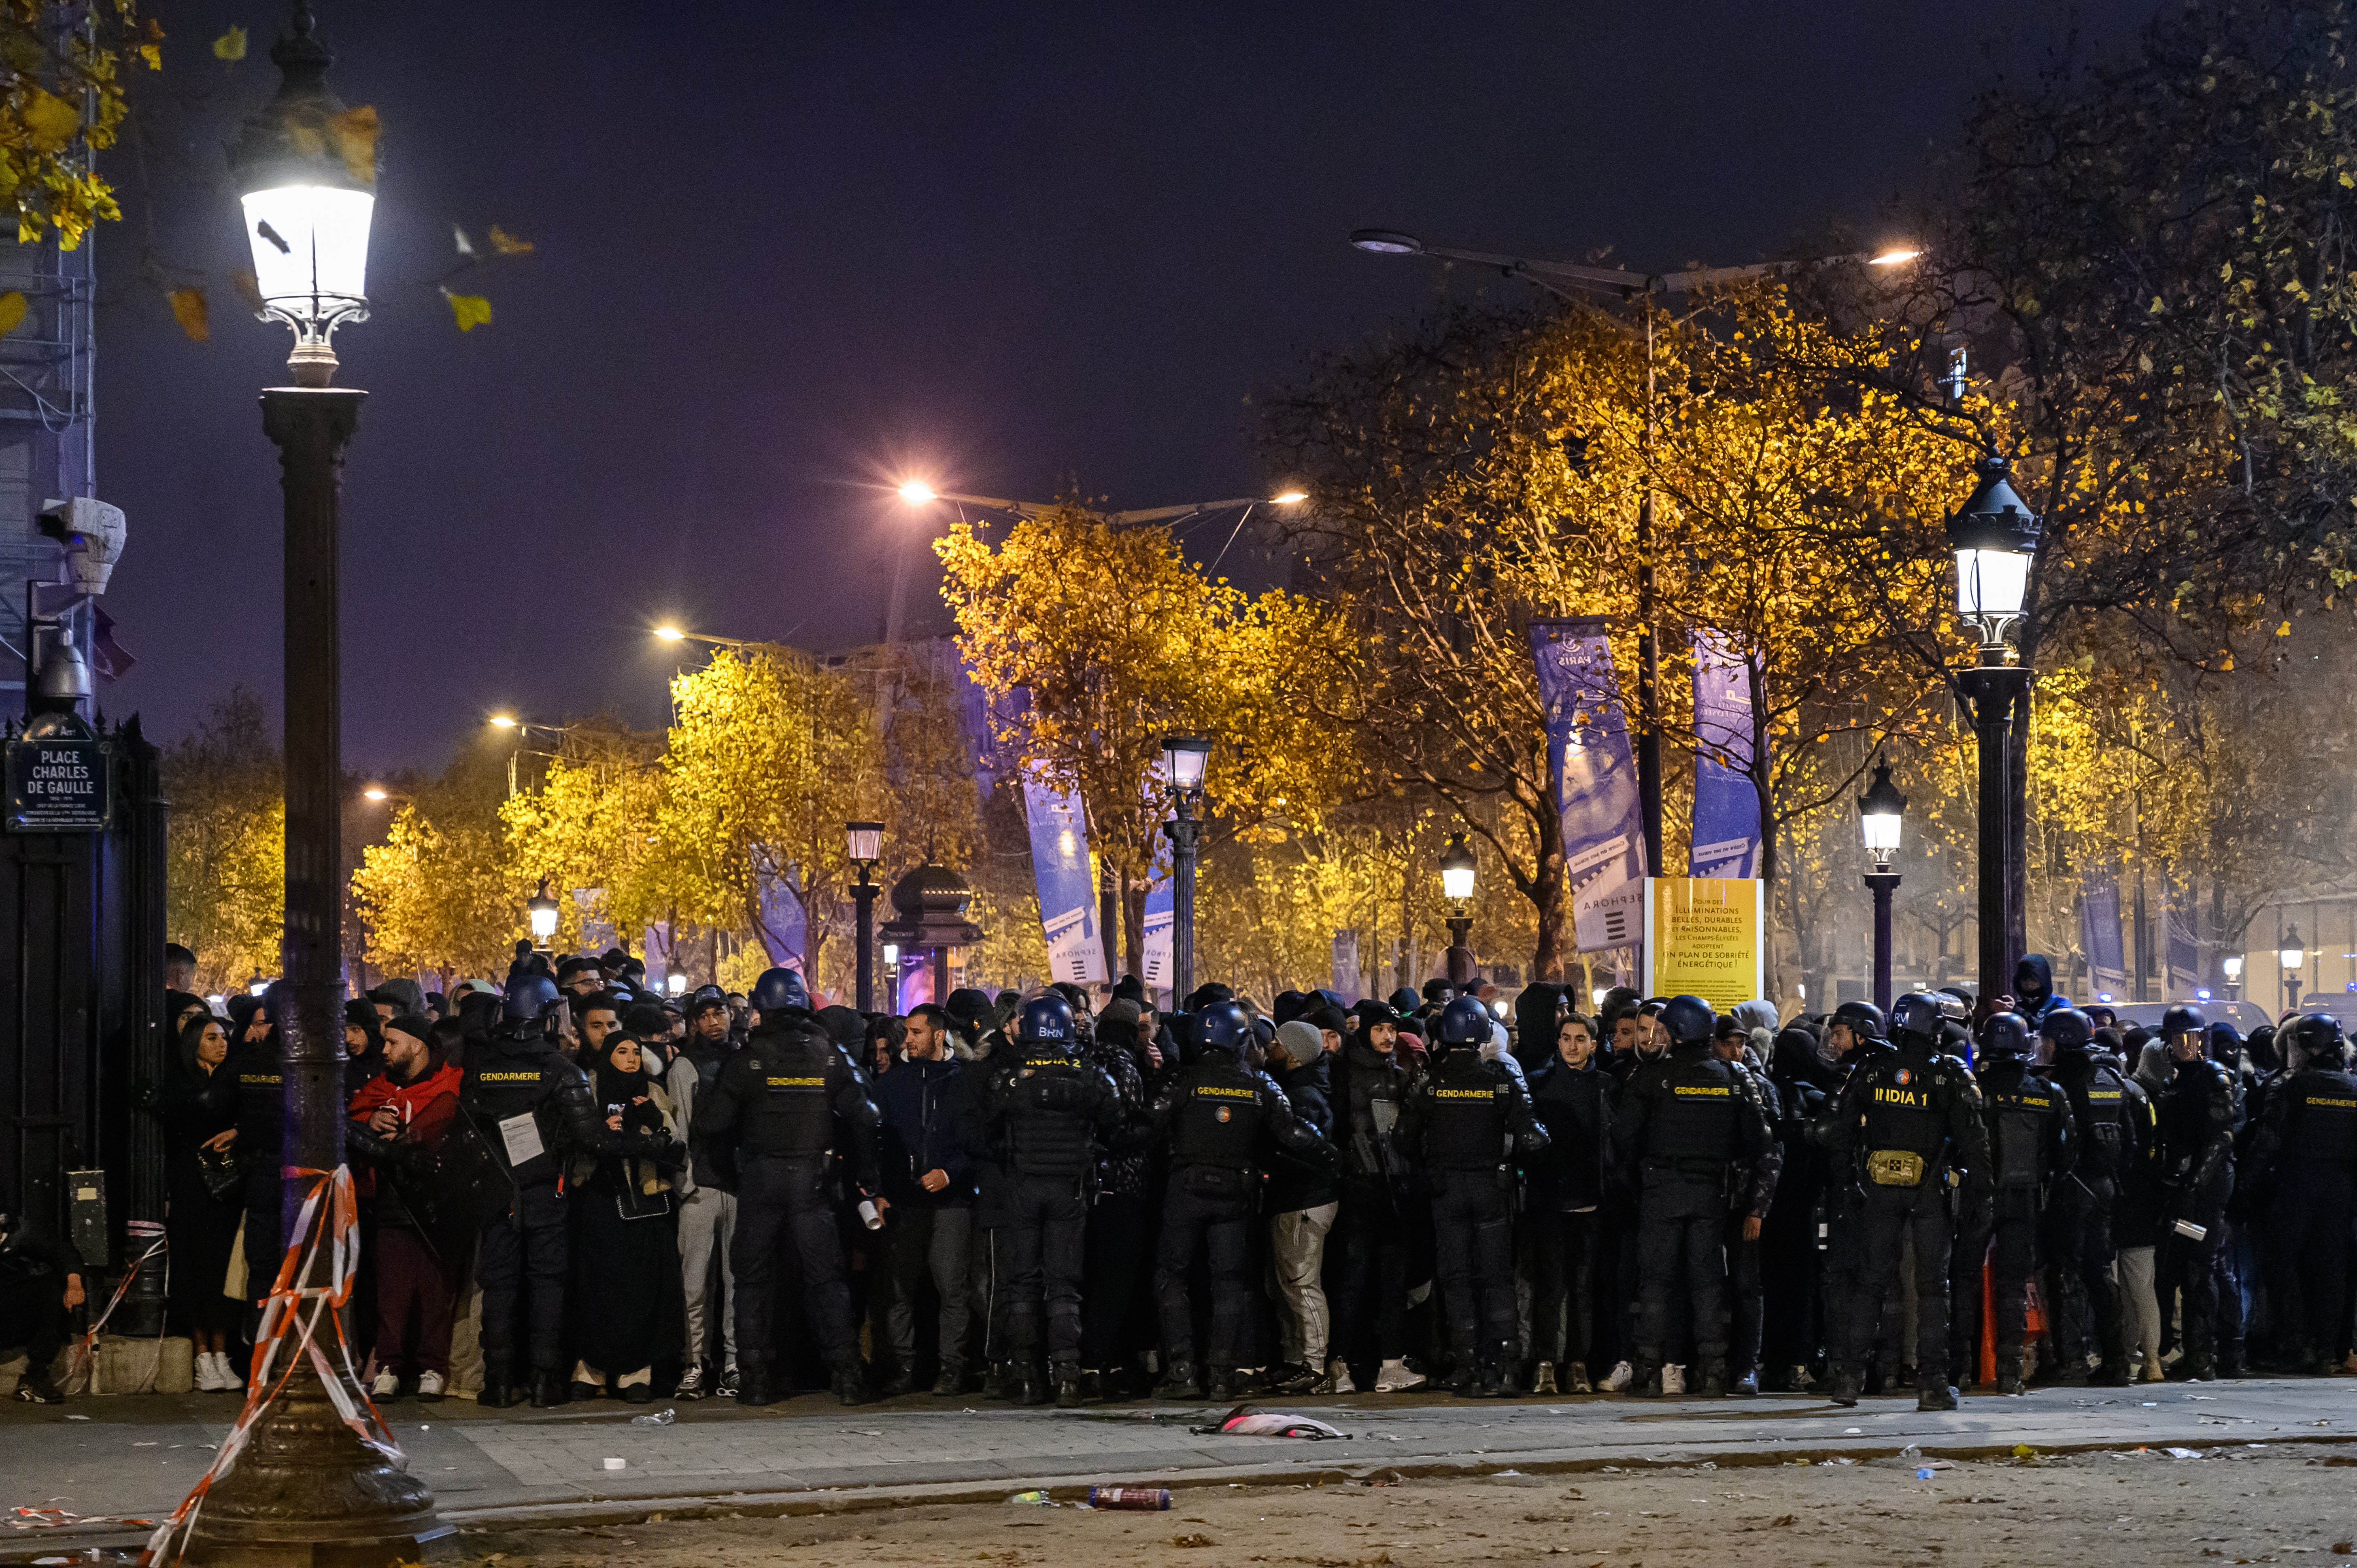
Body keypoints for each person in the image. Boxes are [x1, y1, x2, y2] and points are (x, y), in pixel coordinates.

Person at [461, 972, 677, 1409]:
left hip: (497, 1189)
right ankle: (544, 1381)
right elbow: (593, 1139)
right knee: (548, 1284)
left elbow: (466, 1127)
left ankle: (499, 1382)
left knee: (499, 1287)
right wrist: (648, 1143)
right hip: (545, 1188)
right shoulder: (560, 1069)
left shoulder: (481, 1068)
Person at [692, 966, 881, 1407]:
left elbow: (712, 1124)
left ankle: (757, 1379)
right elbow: (867, 1115)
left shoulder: (746, 1059)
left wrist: (734, 1169)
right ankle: (848, 1376)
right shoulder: (829, 1053)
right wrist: (864, 1173)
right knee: (827, 1281)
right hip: (812, 1181)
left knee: (753, 1281)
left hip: (761, 1179)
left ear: (761, 1007)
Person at [1148, 999, 1335, 1401]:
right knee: (1230, 1283)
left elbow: (1146, 1126)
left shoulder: (1183, 1079)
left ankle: (1182, 1370)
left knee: (1171, 1277)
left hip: (1186, 1189)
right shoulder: (1260, 1084)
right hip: (1237, 1193)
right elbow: (1296, 1134)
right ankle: (1222, 1374)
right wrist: (1336, 1160)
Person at [1811, 991, 1989, 1411]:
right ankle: (1932, 1385)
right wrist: (1981, 1193)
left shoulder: (1871, 1070)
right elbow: (1974, 1140)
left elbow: (1841, 1134)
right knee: (1932, 1288)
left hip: (1878, 1191)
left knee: (1870, 1282)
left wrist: (1851, 1185)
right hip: (1930, 1192)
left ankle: (1849, 1380)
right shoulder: (1948, 1073)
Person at [1613, 994, 1775, 1398]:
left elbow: (1622, 1139)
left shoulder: (1651, 1077)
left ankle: (1649, 1370)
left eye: (1666, 1028)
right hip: (1710, 1192)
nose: (1660, 1035)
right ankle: (1714, 1371)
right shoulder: (1732, 1077)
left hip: (1661, 1189)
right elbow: (1759, 1139)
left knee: (1656, 1283)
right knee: (1707, 1284)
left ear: (1680, 1031)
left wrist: (1642, 1185)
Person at [1398, 995, 1549, 1395]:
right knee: (1497, 1277)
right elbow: (1535, 1137)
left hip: (1446, 1189)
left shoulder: (1430, 1082)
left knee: (1457, 1278)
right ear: (1484, 1033)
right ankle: (1504, 1367)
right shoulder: (1501, 1080)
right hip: (1491, 1188)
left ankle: (1467, 1365)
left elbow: (1402, 1139)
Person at [980, 994, 1126, 1406]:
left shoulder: (1010, 1076)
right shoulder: (1090, 1074)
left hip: (1022, 1185)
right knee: (1064, 1284)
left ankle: (1027, 1377)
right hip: (1071, 1187)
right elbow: (1116, 1127)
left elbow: (987, 1128)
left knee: (1023, 1283)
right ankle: (1067, 1377)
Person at [1956, 1011, 2073, 1393]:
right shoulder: (2048, 1093)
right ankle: (2009, 1372)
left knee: (1964, 1280)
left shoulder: (1973, 1088)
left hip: (1977, 1196)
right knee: (2012, 1285)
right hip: (2024, 1201)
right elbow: (2064, 1154)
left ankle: (1957, 1369)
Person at [349, 1013, 463, 1400]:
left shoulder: (451, 1083)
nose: (385, 1050)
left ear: (417, 1044)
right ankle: (388, 1366)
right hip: (392, 1201)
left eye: (393, 1043)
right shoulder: (378, 1088)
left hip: (435, 1202)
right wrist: (371, 1118)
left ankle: (433, 1366)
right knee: (391, 1289)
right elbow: (355, 1116)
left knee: (434, 1288)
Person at [565, 1031, 685, 1401]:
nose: (631, 1059)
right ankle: (592, 1370)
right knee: (598, 1286)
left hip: (645, 1204)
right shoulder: (589, 1090)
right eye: (622, 1052)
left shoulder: (652, 1090)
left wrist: (655, 1122)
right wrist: (603, 1132)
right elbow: (575, 1140)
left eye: (636, 1052)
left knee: (640, 1287)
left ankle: (636, 1371)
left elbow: (675, 1142)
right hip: (600, 1200)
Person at [875, 1000, 982, 1397]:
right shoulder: (892, 1083)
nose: (909, 1038)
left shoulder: (962, 1080)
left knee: (953, 1287)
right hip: (905, 1200)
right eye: (908, 1031)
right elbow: (879, 1142)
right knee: (901, 1287)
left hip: (950, 1199)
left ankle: (952, 1367)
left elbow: (977, 1142)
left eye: (917, 1032)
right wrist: (882, 1191)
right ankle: (903, 1366)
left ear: (939, 1035)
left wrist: (950, 1172)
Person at [1325, 998, 1422, 1393]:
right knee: (1354, 1281)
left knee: (1391, 1282)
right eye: (1380, 1029)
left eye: (1392, 1030)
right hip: (1360, 1188)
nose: (1387, 1037)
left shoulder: (1394, 1074)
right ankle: (1342, 1363)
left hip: (1391, 1190)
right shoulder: (1345, 1074)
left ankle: (1390, 1364)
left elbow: (1396, 1135)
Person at [2042, 1006, 2141, 1387]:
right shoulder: (2109, 1079)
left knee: (2067, 1274)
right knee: (2101, 1274)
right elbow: (2129, 1140)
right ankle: (2115, 1361)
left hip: (2071, 1186)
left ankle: (2072, 1360)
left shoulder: (2061, 1083)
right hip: (2105, 1188)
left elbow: (2054, 1143)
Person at [2253, 1014, 2357, 1375]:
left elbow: (2268, 1140)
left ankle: (2296, 1345)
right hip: (2340, 1189)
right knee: (2331, 1268)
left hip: (2297, 1183)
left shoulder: (2292, 1086)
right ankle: (2327, 1347)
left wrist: (2246, 1185)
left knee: (2282, 1262)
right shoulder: (2352, 1088)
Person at [147, 1011, 243, 1391]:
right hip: (192, 1186)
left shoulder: (232, 1079)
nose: (221, 1043)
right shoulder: (180, 1083)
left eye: (223, 1037)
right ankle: (203, 1356)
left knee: (223, 1268)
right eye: (211, 1038)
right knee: (195, 1267)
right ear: (193, 1044)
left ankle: (222, 1354)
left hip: (226, 1186)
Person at [1527, 1010, 1613, 1394]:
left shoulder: (1606, 1086)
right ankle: (1545, 1363)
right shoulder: (1539, 1084)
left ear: (1593, 1044)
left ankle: (1577, 1365)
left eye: (1580, 1039)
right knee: (1549, 1287)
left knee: (1582, 1289)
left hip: (1591, 1204)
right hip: (1549, 1203)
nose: (1572, 1046)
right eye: (1566, 1038)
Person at [2153, 1003, 2238, 1380]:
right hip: (2180, 1186)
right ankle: (2190, 1351)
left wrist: (2195, 1184)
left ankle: (2203, 1356)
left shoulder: (2214, 1076)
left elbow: (2220, 1139)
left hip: (2207, 1189)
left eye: (2190, 1037)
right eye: (2177, 1038)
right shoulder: (2173, 1080)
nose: (2185, 1045)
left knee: (2200, 1273)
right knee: (2177, 1271)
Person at [669, 985, 739, 1399]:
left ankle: (731, 1361)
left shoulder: (739, 1059)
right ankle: (695, 1361)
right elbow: (680, 1131)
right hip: (701, 1186)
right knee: (695, 1285)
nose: (715, 1021)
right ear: (694, 1021)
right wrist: (686, 1185)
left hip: (735, 1185)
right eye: (706, 1015)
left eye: (721, 1013)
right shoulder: (686, 1065)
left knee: (736, 1282)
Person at [1262, 1018, 1338, 1395]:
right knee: (1289, 1286)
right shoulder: (1305, 1086)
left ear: (1292, 1054)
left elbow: (1304, 1149)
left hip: (1303, 1200)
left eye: (1277, 1043)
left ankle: (1314, 1365)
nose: (1271, 1048)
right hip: (1300, 1199)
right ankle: (1297, 1361)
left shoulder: (1303, 1093)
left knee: (1301, 1284)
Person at [0, 1207, 82, 1403]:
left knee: (51, 1290)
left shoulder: (19, 1232)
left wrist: (75, 1285)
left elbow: (62, 1253)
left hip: (15, 1309)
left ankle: (35, 1377)